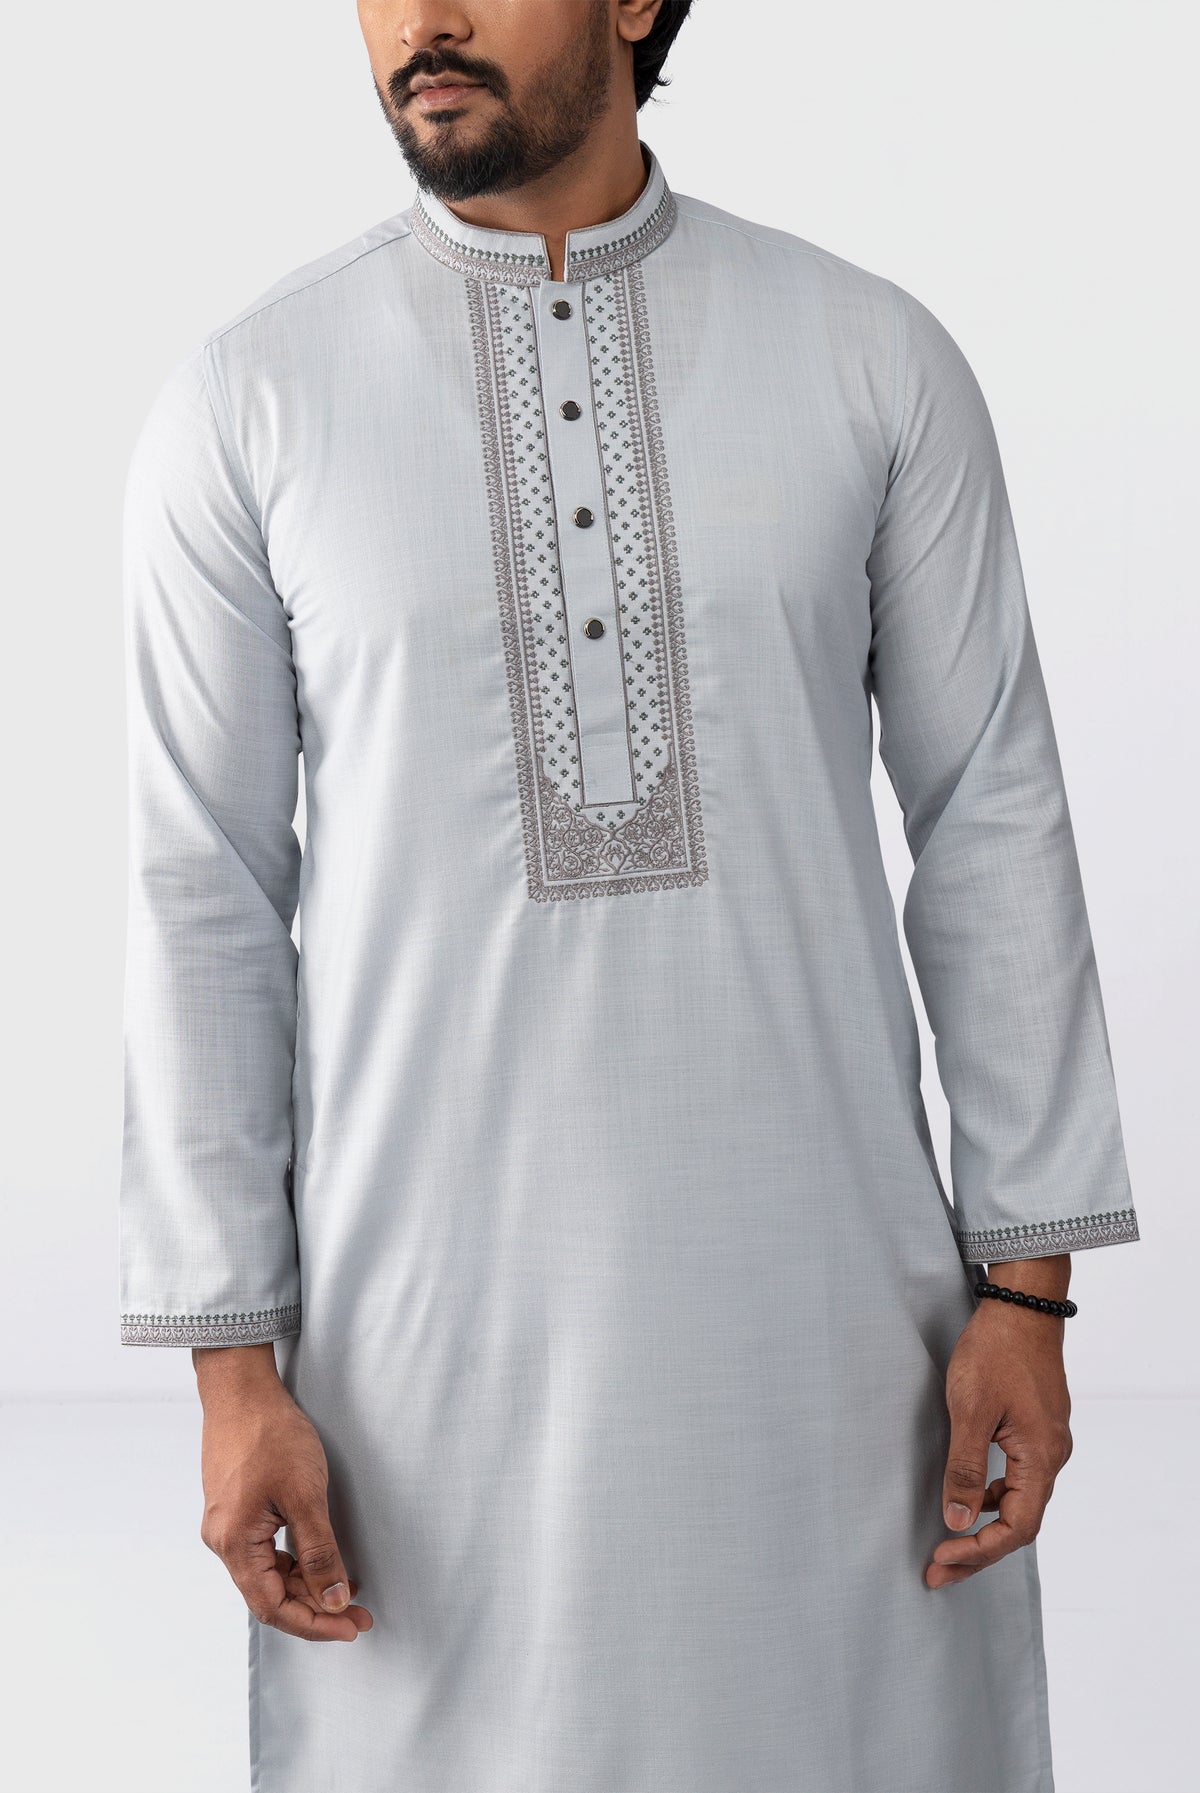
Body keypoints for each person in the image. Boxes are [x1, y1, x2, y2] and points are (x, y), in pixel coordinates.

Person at [117, 3, 1141, 1788]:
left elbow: (991, 817)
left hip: (838, 1364)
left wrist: (1028, 1292)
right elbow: (202, 891)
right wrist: (233, 1369)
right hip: (418, 1390)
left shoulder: (871, 361)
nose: (418, 22)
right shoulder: (251, 403)